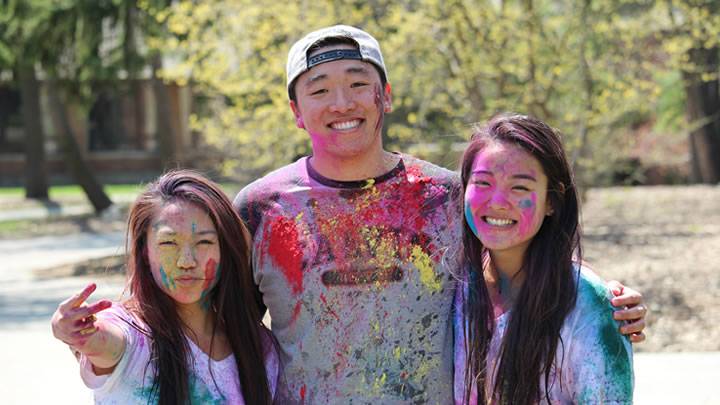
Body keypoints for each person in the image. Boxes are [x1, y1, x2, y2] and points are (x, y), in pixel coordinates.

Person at [235, 25, 646, 404]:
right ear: (295, 110)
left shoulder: (446, 196)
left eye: (359, 83)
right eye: (319, 90)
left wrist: (603, 295)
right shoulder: (260, 209)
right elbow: (221, 330)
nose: (342, 103)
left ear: (387, 96)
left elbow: (519, 253)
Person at [51, 170, 279, 404]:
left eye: (204, 242)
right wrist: (77, 332)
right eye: (169, 243)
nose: (187, 262)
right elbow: (104, 342)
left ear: (225, 249)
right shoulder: (133, 335)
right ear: (144, 251)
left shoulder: (261, 348)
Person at [455, 114, 634, 404]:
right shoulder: (453, 287)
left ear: (552, 201)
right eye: (483, 183)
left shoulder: (588, 305)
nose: (498, 201)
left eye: (520, 187)